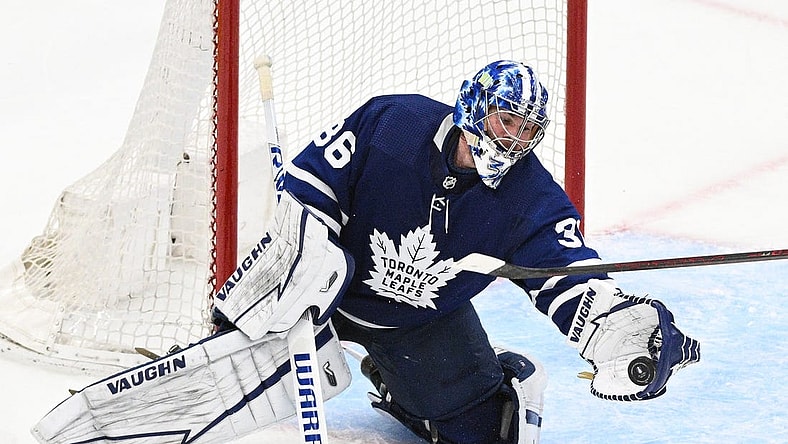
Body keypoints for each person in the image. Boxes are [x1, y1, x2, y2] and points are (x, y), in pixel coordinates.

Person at [214, 60, 701, 443]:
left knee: (487, 435)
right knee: (233, 364)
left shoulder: (529, 200)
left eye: (527, 130)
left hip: (416, 322)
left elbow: (567, 272)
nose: (513, 139)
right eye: (506, 120)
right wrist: (305, 248)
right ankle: (220, 337)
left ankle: (405, 379)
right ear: (474, 105)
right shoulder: (394, 123)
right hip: (322, 293)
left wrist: (619, 329)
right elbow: (309, 185)